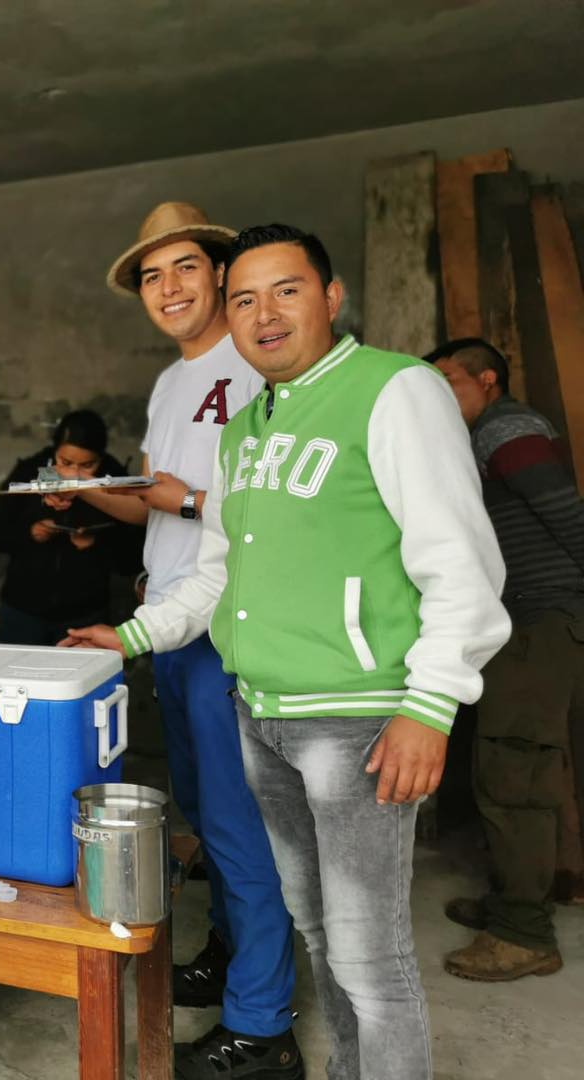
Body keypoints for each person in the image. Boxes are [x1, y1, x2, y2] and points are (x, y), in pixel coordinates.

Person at [66, 224, 510, 1080]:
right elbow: (215, 577)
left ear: (332, 298)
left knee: (371, 961)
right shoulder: (247, 429)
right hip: (261, 715)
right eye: (245, 300)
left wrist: (429, 703)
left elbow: (461, 561)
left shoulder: (396, 390)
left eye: (287, 291)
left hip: (355, 721)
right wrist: (127, 635)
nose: (264, 314)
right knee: (319, 935)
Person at [57, 202, 297, 1070]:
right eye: (152, 276)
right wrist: (86, 492)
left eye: (185, 268)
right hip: (170, 622)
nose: (169, 288)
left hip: (224, 619)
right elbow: (153, 498)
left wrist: (181, 504)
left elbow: (245, 511)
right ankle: (236, 961)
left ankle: (265, 1024)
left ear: (223, 275)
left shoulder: (256, 359)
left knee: (239, 822)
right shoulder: (171, 382)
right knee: (200, 807)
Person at [427, 337, 584, 980]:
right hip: (526, 618)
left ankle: (523, 933)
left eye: (449, 380)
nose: (438, 394)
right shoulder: (481, 437)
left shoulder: (505, 427)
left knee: (512, 770)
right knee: (524, 765)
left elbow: (563, 512)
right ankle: (520, 900)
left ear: (487, 378)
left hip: (538, 618)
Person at [0, 409, 142, 644]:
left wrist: (95, 544)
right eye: (65, 462)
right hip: (24, 610)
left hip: (85, 614)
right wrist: (30, 533)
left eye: (87, 465)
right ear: (54, 452)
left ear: (101, 458)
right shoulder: (32, 470)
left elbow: (132, 558)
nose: (72, 473)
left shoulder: (114, 479)